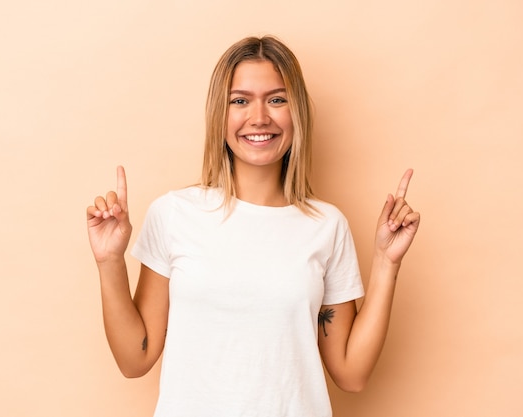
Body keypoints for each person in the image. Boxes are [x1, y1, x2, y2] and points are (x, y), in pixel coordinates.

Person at [86, 35, 420, 417]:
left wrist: (386, 262)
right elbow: (135, 359)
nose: (259, 118)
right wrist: (109, 262)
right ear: (220, 114)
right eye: (240, 100)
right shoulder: (175, 214)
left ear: (297, 114)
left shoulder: (327, 226)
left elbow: (351, 373)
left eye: (277, 99)